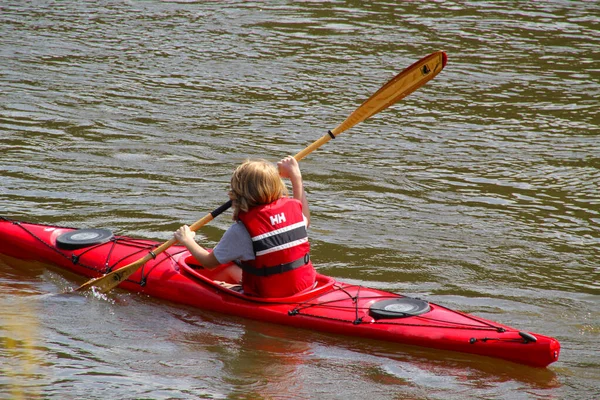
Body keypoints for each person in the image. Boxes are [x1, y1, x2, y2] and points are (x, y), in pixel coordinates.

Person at [174, 156, 316, 297]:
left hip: (269, 296)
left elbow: (209, 263)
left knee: (221, 273)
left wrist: (187, 240)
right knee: (234, 265)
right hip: (306, 286)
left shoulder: (242, 231)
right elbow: (305, 217)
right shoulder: (295, 212)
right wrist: (295, 176)